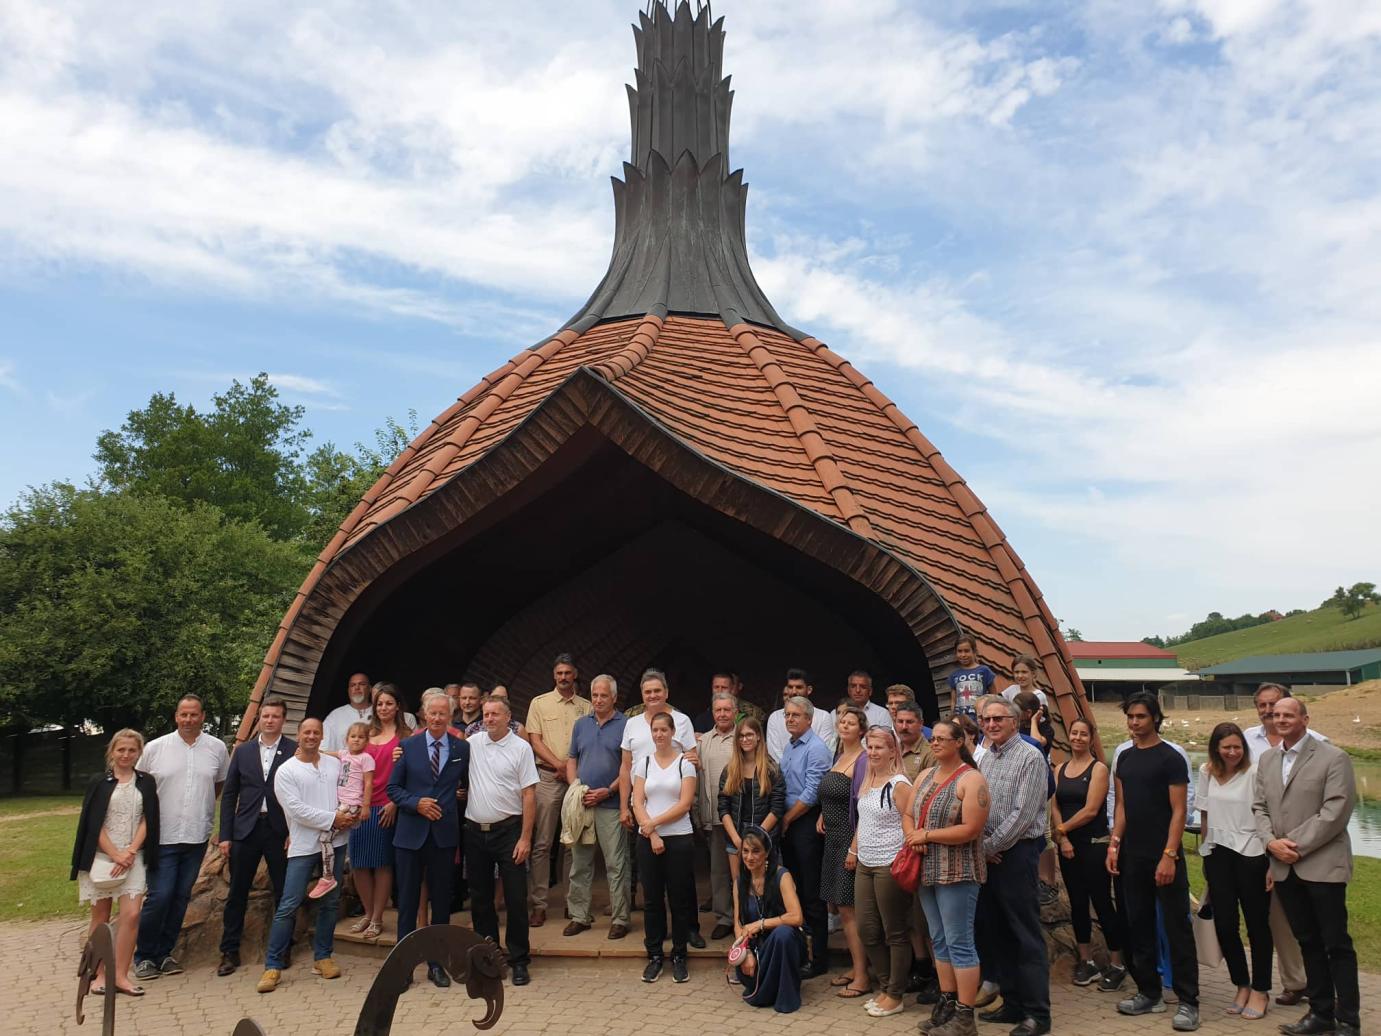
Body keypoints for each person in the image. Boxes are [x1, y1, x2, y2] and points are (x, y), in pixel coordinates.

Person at [1253, 696, 1359, 1036]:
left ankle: (1348, 1019)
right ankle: (1320, 1014)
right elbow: (1259, 807)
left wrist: (1291, 845)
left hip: (1322, 866)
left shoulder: (1333, 757)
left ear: (1305, 719)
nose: (1280, 719)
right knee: (1308, 941)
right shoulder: (1268, 759)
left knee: (1335, 944)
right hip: (1284, 867)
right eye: (1276, 714)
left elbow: (1336, 811)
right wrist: (1270, 842)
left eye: (1288, 714)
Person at [1107, 691, 1199, 1032]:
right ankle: (1149, 992)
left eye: (1141, 716)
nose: (1134, 722)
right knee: (1139, 925)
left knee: (1177, 929)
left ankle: (1189, 1001)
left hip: (1165, 856)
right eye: (1130, 716)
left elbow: (1179, 811)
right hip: (1132, 855)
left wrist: (1169, 856)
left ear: (1155, 718)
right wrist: (1114, 844)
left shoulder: (1170, 758)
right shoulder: (1124, 758)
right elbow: (1121, 805)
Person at [132, 694, 229, 983]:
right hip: (162, 836)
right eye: (183, 714)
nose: (188, 719)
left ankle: (165, 953)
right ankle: (143, 956)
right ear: (176, 716)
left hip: (196, 836)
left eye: (194, 714)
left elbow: (218, 784)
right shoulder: (155, 748)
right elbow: (139, 788)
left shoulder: (217, 748)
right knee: (160, 896)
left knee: (180, 897)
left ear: (203, 716)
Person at [256, 718, 356, 993]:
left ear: (322, 736)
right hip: (304, 845)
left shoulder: (333, 764)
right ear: (298, 735)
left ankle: (323, 957)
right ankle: (273, 965)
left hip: (335, 844)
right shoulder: (286, 771)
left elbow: (348, 790)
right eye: (307, 732)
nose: (311, 736)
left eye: (316, 732)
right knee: (289, 903)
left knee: (331, 902)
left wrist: (349, 813)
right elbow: (296, 810)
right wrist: (333, 818)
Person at [1242, 683, 1326, 1007]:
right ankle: (1296, 981)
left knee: (1314, 920)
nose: (1269, 712)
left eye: (1274, 705)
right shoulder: (1245, 741)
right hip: (1261, 842)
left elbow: (1328, 807)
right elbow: (1254, 800)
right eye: (1262, 706)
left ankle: (1324, 983)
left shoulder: (1319, 744)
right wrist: (1269, 843)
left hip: (1308, 848)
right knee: (1277, 920)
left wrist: (1296, 844)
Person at [975, 696, 1052, 1036]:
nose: (991, 724)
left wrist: (989, 847)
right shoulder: (986, 758)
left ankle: (1037, 1014)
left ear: (1015, 721)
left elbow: (1023, 815)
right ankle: (1012, 1003)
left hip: (1017, 854)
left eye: (998, 719)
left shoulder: (1030, 756)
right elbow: (978, 804)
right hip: (989, 855)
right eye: (986, 719)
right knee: (998, 932)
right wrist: (983, 847)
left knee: (1024, 934)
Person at [908, 719, 990, 1036]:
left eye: (943, 738)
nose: (936, 742)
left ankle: (965, 1016)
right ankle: (948, 1002)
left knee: (959, 942)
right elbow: (908, 813)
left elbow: (971, 829)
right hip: (927, 870)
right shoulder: (925, 775)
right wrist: (912, 836)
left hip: (958, 873)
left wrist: (926, 835)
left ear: (959, 742)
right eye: (934, 738)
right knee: (939, 939)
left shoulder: (971, 779)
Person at [386, 689, 469, 988]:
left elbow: (468, 783)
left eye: (442, 713)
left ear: (450, 716)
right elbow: (393, 789)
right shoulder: (407, 746)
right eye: (432, 713)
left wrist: (462, 795)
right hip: (410, 834)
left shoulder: (462, 748)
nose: (437, 718)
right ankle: (403, 966)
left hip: (443, 835)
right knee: (407, 903)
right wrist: (416, 803)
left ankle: (437, 964)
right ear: (424, 714)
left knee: (442, 904)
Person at [71, 729, 159, 996]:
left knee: (131, 915)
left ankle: (120, 975)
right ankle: (99, 974)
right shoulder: (99, 782)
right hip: (102, 857)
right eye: (121, 749)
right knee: (101, 918)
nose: (126, 755)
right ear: (112, 751)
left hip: (133, 857)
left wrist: (130, 852)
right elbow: (92, 823)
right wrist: (115, 854)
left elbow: (149, 818)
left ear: (139, 752)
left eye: (132, 750)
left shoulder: (146, 782)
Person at [1196, 722, 1271, 1018]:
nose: (1232, 752)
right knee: (1226, 925)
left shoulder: (1255, 773)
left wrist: (1271, 862)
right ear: (1216, 748)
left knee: (1257, 925)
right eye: (1226, 747)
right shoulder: (1206, 772)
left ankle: (1261, 989)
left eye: (1237, 747)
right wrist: (1205, 853)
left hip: (1252, 853)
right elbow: (1204, 815)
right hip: (1218, 854)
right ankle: (1241, 983)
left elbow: (1267, 814)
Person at [217, 698, 295, 976]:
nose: (270, 720)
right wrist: (225, 835)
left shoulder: (293, 750)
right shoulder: (243, 751)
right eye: (266, 716)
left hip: (279, 831)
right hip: (246, 830)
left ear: (284, 720)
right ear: (259, 718)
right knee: (237, 892)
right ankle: (229, 951)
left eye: (275, 716)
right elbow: (229, 795)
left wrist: (294, 833)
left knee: (283, 892)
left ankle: (283, 948)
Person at [618, 668, 699, 934]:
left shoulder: (682, 721)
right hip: (643, 806)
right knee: (651, 880)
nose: (652, 695)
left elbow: (692, 758)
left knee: (682, 881)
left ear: (666, 692)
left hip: (674, 804)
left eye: (657, 691)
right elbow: (625, 766)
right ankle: (658, 933)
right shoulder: (632, 723)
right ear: (642, 695)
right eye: (647, 692)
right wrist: (625, 806)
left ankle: (690, 930)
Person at [465, 695, 539, 986]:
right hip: (475, 832)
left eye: (495, 714)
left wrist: (525, 838)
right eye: (486, 714)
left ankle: (519, 960)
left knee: (516, 898)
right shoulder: (472, 744)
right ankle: (488, 958)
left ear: (509, 717)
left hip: (509, 832)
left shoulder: (521, 748)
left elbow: (529, 795)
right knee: (481, 899)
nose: (490, 719)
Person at [1051, 717, 1125, 989]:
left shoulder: (1098, 769)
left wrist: (1062, 829)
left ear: (1091, 739)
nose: (1078, 738)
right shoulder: (1060, 769)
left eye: (1083, 734)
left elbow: (1091, 810)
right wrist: (1063, 838)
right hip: (1068, 846)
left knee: (1102, 902)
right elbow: (1054, 804)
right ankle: (1087, 961)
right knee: (1078, 903)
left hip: (1093, 843)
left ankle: (1117, 963)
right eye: (1074, 733)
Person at [851, 725, 914, 1018]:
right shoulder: (868, 778)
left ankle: (896, 994)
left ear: (892, 751)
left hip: (890, 864)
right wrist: (853, 850)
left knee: (894, 931)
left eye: (879, 747)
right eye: (870, 747)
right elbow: (864, 821)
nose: (873, 752)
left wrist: (904, 855)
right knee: (866, 929)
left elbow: (911, 821)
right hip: (865, 862)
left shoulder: (899, 784)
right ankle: (886, 986)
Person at [524, 653, 591, 929]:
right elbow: (535, 740)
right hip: (548, 777)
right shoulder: (539, 703)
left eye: (568, 673)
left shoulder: (586, 707)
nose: (563, 677)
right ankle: (539, 905)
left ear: (575, 675)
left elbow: (589, 743)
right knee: (542, 843)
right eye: (559, 673)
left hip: (576, 780)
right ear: (554, 675)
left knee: (573, 843)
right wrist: (560, 765)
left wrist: (571, 771)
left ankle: (572, 903)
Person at [632, 710, 699, 983]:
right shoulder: (644, 763)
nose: (659, 734)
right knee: (652, 900)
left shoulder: (685, 763)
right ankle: (655, 956)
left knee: (679, 899)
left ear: (673, 733)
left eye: (664, 730)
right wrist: (652, 834)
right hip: (649, 840)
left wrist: (653, 824)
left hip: (679, 838)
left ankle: (680, 955)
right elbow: (637, 802)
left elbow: (684, 804)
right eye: (655, 730)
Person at [564, 674, 631, 939]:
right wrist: (575, 787)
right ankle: (579, 916)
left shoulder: (626, 725)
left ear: (614, 697)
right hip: (582, 804)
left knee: (616, 864)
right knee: (580, 863)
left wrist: (609, 790)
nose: (599, 700)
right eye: (595, 695)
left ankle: (620, 919)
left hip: (612, 804)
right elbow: (572, 759)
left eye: (604, 695)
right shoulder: (581, 724)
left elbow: (629, 765)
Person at [778, 695, 833, 980]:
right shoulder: (790, 746)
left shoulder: (816, 748)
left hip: (805, 823)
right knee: (795, 888)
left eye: (796, 715)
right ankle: (802, 951)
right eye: (787, 715)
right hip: (789, 825)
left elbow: (812, 793)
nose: (790, 719)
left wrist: (787, 819)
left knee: (811, 893)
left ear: (809, 720)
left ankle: (819, 958)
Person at [349, 685, 410, 940]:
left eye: (388, 703)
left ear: (398, 706)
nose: (384, 708)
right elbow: (346, 760)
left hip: (386, 806)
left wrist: (395, 803)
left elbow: (411, 774)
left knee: (382, 863)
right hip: (359, 806)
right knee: (359, 863)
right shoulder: (365, 733)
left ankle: (377, 918)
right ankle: (367, 912)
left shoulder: (405, 736)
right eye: (380, 704)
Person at [819, 704, 870, 999]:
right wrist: (822, 813)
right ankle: (855, 966)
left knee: (850, 909)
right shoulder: (839, 755)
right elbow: (836, 794)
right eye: (842, 721)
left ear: (861, 730)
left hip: (849, 840)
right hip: (832, 838)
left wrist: (854, 849)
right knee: (840, 906)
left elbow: (863, 807)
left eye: (851, 722)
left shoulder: (863, 760)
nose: (845, 725)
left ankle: (862, 976)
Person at [734, 826, 807, 1013]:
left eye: (756, 851)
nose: (749, 857)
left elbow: (797, 917)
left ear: (767, 853)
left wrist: (761, 924)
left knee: (783, 934)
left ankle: (786, 999)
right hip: (756, 950)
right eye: (745, 851)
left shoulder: (782, 875)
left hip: (785, 945)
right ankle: (765, 988)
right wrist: (746, 953)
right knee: (747, 971)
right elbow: (738, 924)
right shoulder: (740, 881)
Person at [719, 716, 785, 892]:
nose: (745, 739)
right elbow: (723, 807)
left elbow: (777, 808)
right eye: (741, 736)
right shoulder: (730, 769)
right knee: (739, 887)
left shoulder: (771, 769)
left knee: (762, 889)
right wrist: (736, 839)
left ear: (758, 737)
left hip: (764, 836)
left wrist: (756, 837)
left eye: (749, 735)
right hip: (736, 835)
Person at [697, 691, 739, 940]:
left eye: (727, 710)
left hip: (741, 815)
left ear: (735, 712)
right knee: (719, 871)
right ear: (712, 713)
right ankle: (724, 917)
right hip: (715, 817)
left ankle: (747, 916)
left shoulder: (744, 737)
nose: (722, 714)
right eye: (718, 710)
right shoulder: (703, 741)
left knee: (745, 870)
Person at [314, 721, 374, 899]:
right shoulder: (343, 754)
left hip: (353, 804)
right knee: (327, 838)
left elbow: (369, 783)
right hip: (341, 803)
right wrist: (307, 752)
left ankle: (328, 877)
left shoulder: (366, 758)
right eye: (353, 736)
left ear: (366, 741)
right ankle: (328, 875)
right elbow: (324, 753)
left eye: (361, 737)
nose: (356, 740)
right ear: (346, 739)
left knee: (325, 838)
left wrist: (365, 806)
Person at [766, 668, 837, 762]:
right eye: (790, 687)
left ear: (809, 690)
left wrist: (799, 767)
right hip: (781, 770)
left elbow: (824, 752)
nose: (794, 692)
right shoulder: (775, 717)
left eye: (799, 687)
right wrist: (789, 768)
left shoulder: (823, 717)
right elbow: (774, 753)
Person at [323, 672, 374, 753]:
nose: (357, 687)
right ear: (348, 690)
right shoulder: (336, 715)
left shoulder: (379, 712)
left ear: (370, 688)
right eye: (352, 685)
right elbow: (324, 748)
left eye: (362, 684)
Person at [947, 636, 996, 718]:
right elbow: (953, 701)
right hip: (961, 719)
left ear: (974, 651)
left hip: (980, 718)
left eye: (967, 651)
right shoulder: (954, 675)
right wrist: (952, 717)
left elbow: (994, 696)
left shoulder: (984, 670)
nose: (963, 655)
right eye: (959, 651)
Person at [895, 700, 935, 782]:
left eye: (909, 722)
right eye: (900, 721)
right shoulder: (891, 750)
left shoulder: (931, 753)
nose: (904, 727)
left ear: (921, 723)